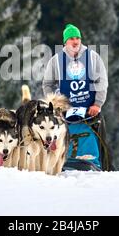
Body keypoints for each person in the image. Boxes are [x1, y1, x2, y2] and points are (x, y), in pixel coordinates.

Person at [42, 23, 108, 169]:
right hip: (66, 111)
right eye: (71, 38)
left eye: (77, 37)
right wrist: (54, 104)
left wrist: (97, 104)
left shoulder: (92, 57)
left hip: (90, 110)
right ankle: (64, 161)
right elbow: (47, 84)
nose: (75, 41)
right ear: (65, 42)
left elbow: (102, 81)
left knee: (100, 141)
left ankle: (100, 165)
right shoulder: (56, 61)